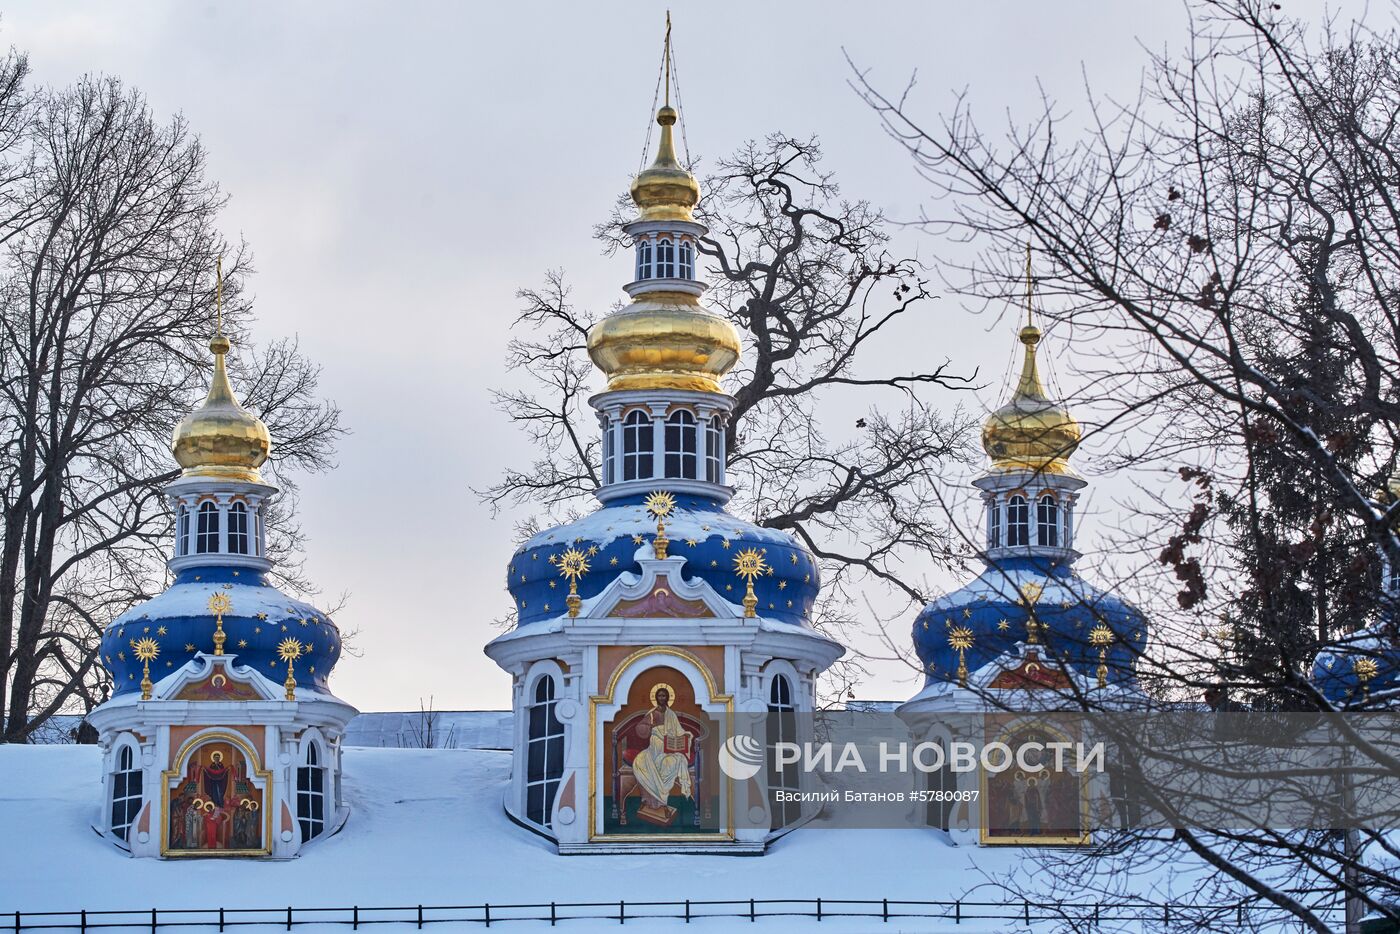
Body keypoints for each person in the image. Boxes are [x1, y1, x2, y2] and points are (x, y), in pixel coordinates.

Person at [630, 687, 692, 820]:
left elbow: (678, 731)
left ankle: (661, 801)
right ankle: (653, 802)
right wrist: (648, 727)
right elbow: (640, 728)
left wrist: (685, 735)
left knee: (675, 761)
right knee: (651, 765)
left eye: (664, 696)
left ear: (668, 698)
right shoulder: (652, 713)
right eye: (660, 696)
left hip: (669, 746)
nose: (662, 698)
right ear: (656, 698)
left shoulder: (671, 714)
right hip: (656, 746)